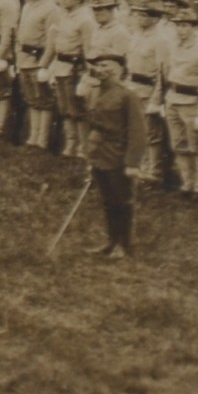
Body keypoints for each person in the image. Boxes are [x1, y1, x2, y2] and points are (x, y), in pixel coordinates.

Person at [73, 52, 148, 257]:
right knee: (108, 201)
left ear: (118, 69)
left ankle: (124, 245)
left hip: (119, 155)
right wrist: (91, 152)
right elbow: (94, 124)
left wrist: (132, 162)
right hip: (101, 153)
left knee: (122, 201)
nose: (99, 69)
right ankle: (112, 241)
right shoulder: (97, 91)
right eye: (97, 66)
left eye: (104, 65)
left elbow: (138, 132)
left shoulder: (127, 95)